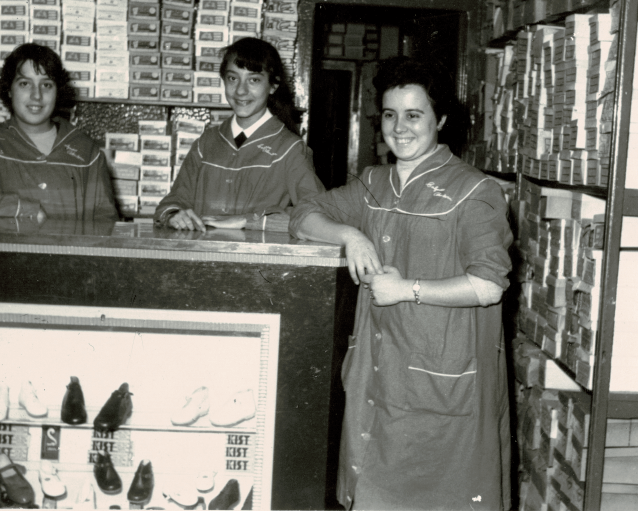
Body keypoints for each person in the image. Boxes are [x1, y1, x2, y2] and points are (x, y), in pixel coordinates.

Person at [289, 56, 513, 510]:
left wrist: (408, 289)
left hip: (442, 381)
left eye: (414, 115)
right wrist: (349, 234)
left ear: (441, 120)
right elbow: (303, 216)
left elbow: (489, 285)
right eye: (390, 115)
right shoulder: (374, 184)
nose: (400, 128)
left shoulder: (476, 191)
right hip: (379, 372)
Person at [154, 38, 324, 231]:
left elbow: (316, 213)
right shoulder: (206, 142)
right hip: (203, 255)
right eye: (233, 78)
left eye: (254, 80)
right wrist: (175, 215)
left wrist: (249, 220)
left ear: (273, 85)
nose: (241, 91)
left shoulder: (290, 148)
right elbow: (173, 201)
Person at [0, 43, 118, 221]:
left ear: (58, 91)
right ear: (9, 89)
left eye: (46, 85)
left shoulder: (87, 153)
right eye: (25, 84)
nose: (37, 95)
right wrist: (21, 208)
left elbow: (105, 223)